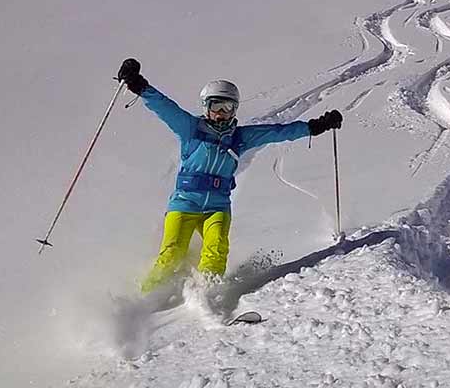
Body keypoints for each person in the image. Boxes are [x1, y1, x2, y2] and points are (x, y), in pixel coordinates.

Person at [116, 58, 342, 292]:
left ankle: (207, 294)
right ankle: (145, 296)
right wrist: (138, 85)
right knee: (172, 254)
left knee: (216, 251)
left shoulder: (239, 138)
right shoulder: (191, 129)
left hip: (217, 207)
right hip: (184, 204)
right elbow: (165, 107)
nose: (222, 113)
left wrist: (316, 126)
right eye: (217, 107)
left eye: (229, 107)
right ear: (206, 107)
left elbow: (277, 132)